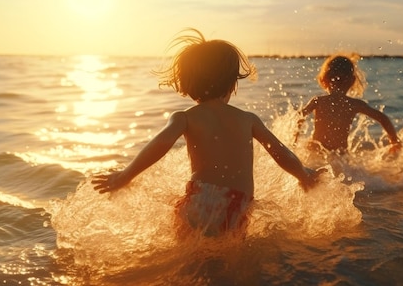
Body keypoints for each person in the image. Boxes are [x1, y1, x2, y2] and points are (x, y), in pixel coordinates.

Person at [92, 28, 323, 237]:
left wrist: (125, 176)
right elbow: (279, 152)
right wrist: (304, 175)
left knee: (190, 260)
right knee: (231, 262)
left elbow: (159, 145)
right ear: (233, 82)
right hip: (237, 204)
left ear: (187, 82)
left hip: (197, 200)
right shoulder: (248, 119)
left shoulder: (185, 117)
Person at [296, 53, 401, 158]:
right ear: (352, 80)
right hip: (340, 156)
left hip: (316, 152)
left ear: (324, 79)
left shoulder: (318, 101)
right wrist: (394, 141)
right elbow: (382, 118)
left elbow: (300, 116)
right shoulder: (354, 104)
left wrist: (295, 140)